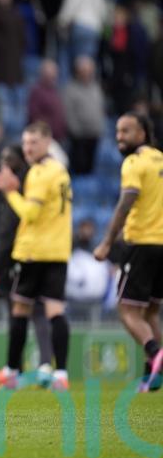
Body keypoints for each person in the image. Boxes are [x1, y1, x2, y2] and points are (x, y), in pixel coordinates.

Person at [0, 121, 72, 391]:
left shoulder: (38, 172)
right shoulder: (60, 171)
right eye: (25, 143)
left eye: (33, 142)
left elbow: (30, 213)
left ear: (47, 142)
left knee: (21, 310)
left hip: (35, 252)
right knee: (55, 311)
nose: (28, 148)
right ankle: (60, 374)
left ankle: (11, 373)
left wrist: (10, 191)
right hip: (58, 251)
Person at [93, 113, 163, 392]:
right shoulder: (161, 159)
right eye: (118, 131)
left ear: (142, 134)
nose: (120, 136)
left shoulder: (134, 162)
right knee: (151, 315)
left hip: (142, 245)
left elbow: (126, 203)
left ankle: (156, 351)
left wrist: (107, 242)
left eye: (126, 131)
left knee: (128, 312)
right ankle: (153, 378)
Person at [0, 144, 54, 388]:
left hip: (18, 258)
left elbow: (6, 235)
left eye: (6, 163)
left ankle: (16, 371)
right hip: (38, 253)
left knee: (20, 313)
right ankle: (44, 366)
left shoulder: (14, 196)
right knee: (37, 311)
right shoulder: (31, 187)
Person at [63, 56, 105, 175]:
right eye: (84, 71)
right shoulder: (71, 89)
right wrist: (75, 131)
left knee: (90, 169)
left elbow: (100, 109)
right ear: (78, 72)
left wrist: (99, 127)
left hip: (94, 135)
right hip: (78, 138)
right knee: (79, 169)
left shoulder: (96, 88)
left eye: (89, 71)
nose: (87, 74)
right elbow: (69, 113)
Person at [27, 59, 66, 143]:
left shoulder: (56, 90)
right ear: (43, 74)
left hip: (60, 137)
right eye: (50, 73)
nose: (54, 76)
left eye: (55, 73)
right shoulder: (37, 92)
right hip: (45, 138)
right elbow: (35, 116)